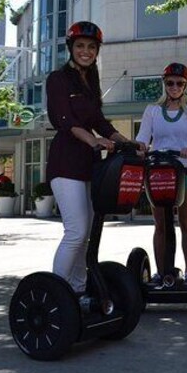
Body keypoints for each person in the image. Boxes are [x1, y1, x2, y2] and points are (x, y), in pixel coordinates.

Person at [46, 21, 139, 294]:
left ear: (97, 51)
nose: (85, 51)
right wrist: (93, 140)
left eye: (91, 47)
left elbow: (101, 121)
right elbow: (64, 119)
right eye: (80, 46)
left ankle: (78, 292)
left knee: (85, 236)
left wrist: (128, 142)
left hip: (88, 166)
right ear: (71, 49)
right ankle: (56, 293)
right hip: (65, 165)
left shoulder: (90, 83)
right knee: (75, 232)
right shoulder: (58, 79)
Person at [136, 62, 187, 284]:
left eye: (179, 83)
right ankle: (160, 271)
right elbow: (143, 137)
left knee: (186, 222)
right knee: (161, 225)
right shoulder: (152, 111)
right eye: (170, 83)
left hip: (186, 169)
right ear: (164, 84)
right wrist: (140, 147)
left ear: (186, 85)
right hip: (159, 172)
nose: (174, 87)